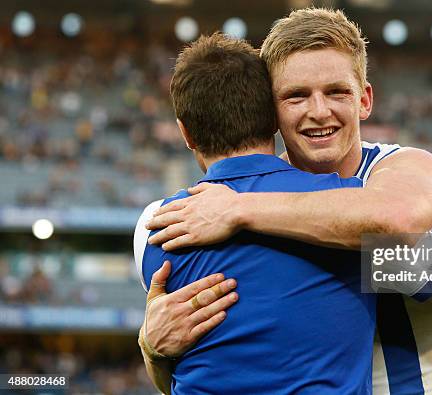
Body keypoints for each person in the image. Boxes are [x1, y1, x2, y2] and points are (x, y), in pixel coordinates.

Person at [144, 8, 432, 395]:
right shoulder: (240, 198)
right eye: (296, 96)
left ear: (364, 100)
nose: (318, 111)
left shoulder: (405, 168)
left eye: (336, 92)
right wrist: (153, 347)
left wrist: (243, 211)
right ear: (272, 112)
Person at [134, 33, 377, 394]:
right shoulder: (355, 210)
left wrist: (150, 349)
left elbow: (176, 365)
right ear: (274, 117)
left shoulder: (156, 225)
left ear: (185, 133)